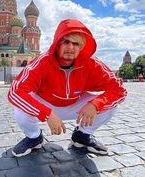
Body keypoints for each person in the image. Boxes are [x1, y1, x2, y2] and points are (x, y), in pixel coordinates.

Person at [8, 18, 127, 157]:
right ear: (57, 44)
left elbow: (119, 89)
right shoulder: (42, 62)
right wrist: (46, 113)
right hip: (46, 102)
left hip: (75, 104)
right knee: (20, 109)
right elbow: (15, 92)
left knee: (111, 106)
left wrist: (95, 104)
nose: (70, 47)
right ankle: (34, 137)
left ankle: (82, 136)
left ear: (81, 46)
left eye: (76, 43)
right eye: (65, 41)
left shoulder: (92, 64)